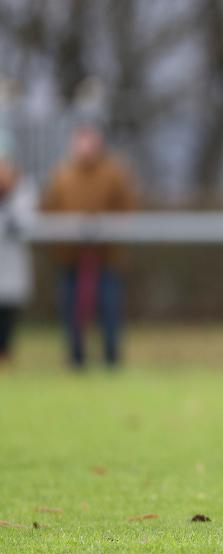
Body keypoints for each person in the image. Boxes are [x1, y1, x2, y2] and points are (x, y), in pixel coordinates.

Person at [42, 123, 138, 369]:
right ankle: (75, 359)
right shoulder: (62, 175)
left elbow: (127, 210)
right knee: (71, 312)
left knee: (109, 310)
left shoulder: (114, 174)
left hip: (106, 258)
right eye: (81, 143)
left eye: (90, 143)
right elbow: (49, 210)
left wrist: (107, 231)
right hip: (71, 258)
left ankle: (111, 359)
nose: (85, 148)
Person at [0, 132, 38, 365]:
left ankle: (5, 356)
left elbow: (25, 221)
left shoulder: (22, 189)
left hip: (12, 262)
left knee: (8, 311)